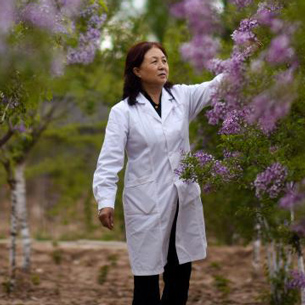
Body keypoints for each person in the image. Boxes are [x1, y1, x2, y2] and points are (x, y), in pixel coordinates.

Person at [93, 41, 225, 305]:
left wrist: (246, 57)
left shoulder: (181, 98)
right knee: (147, 281)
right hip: (146, 203)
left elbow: (217, 86)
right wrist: (105, 201)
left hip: (181, 199)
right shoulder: (122, 112)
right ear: (137, 71)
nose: (162, 65)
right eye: (154, 61)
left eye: (164, 60)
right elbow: (109, 160)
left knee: (179, 276)